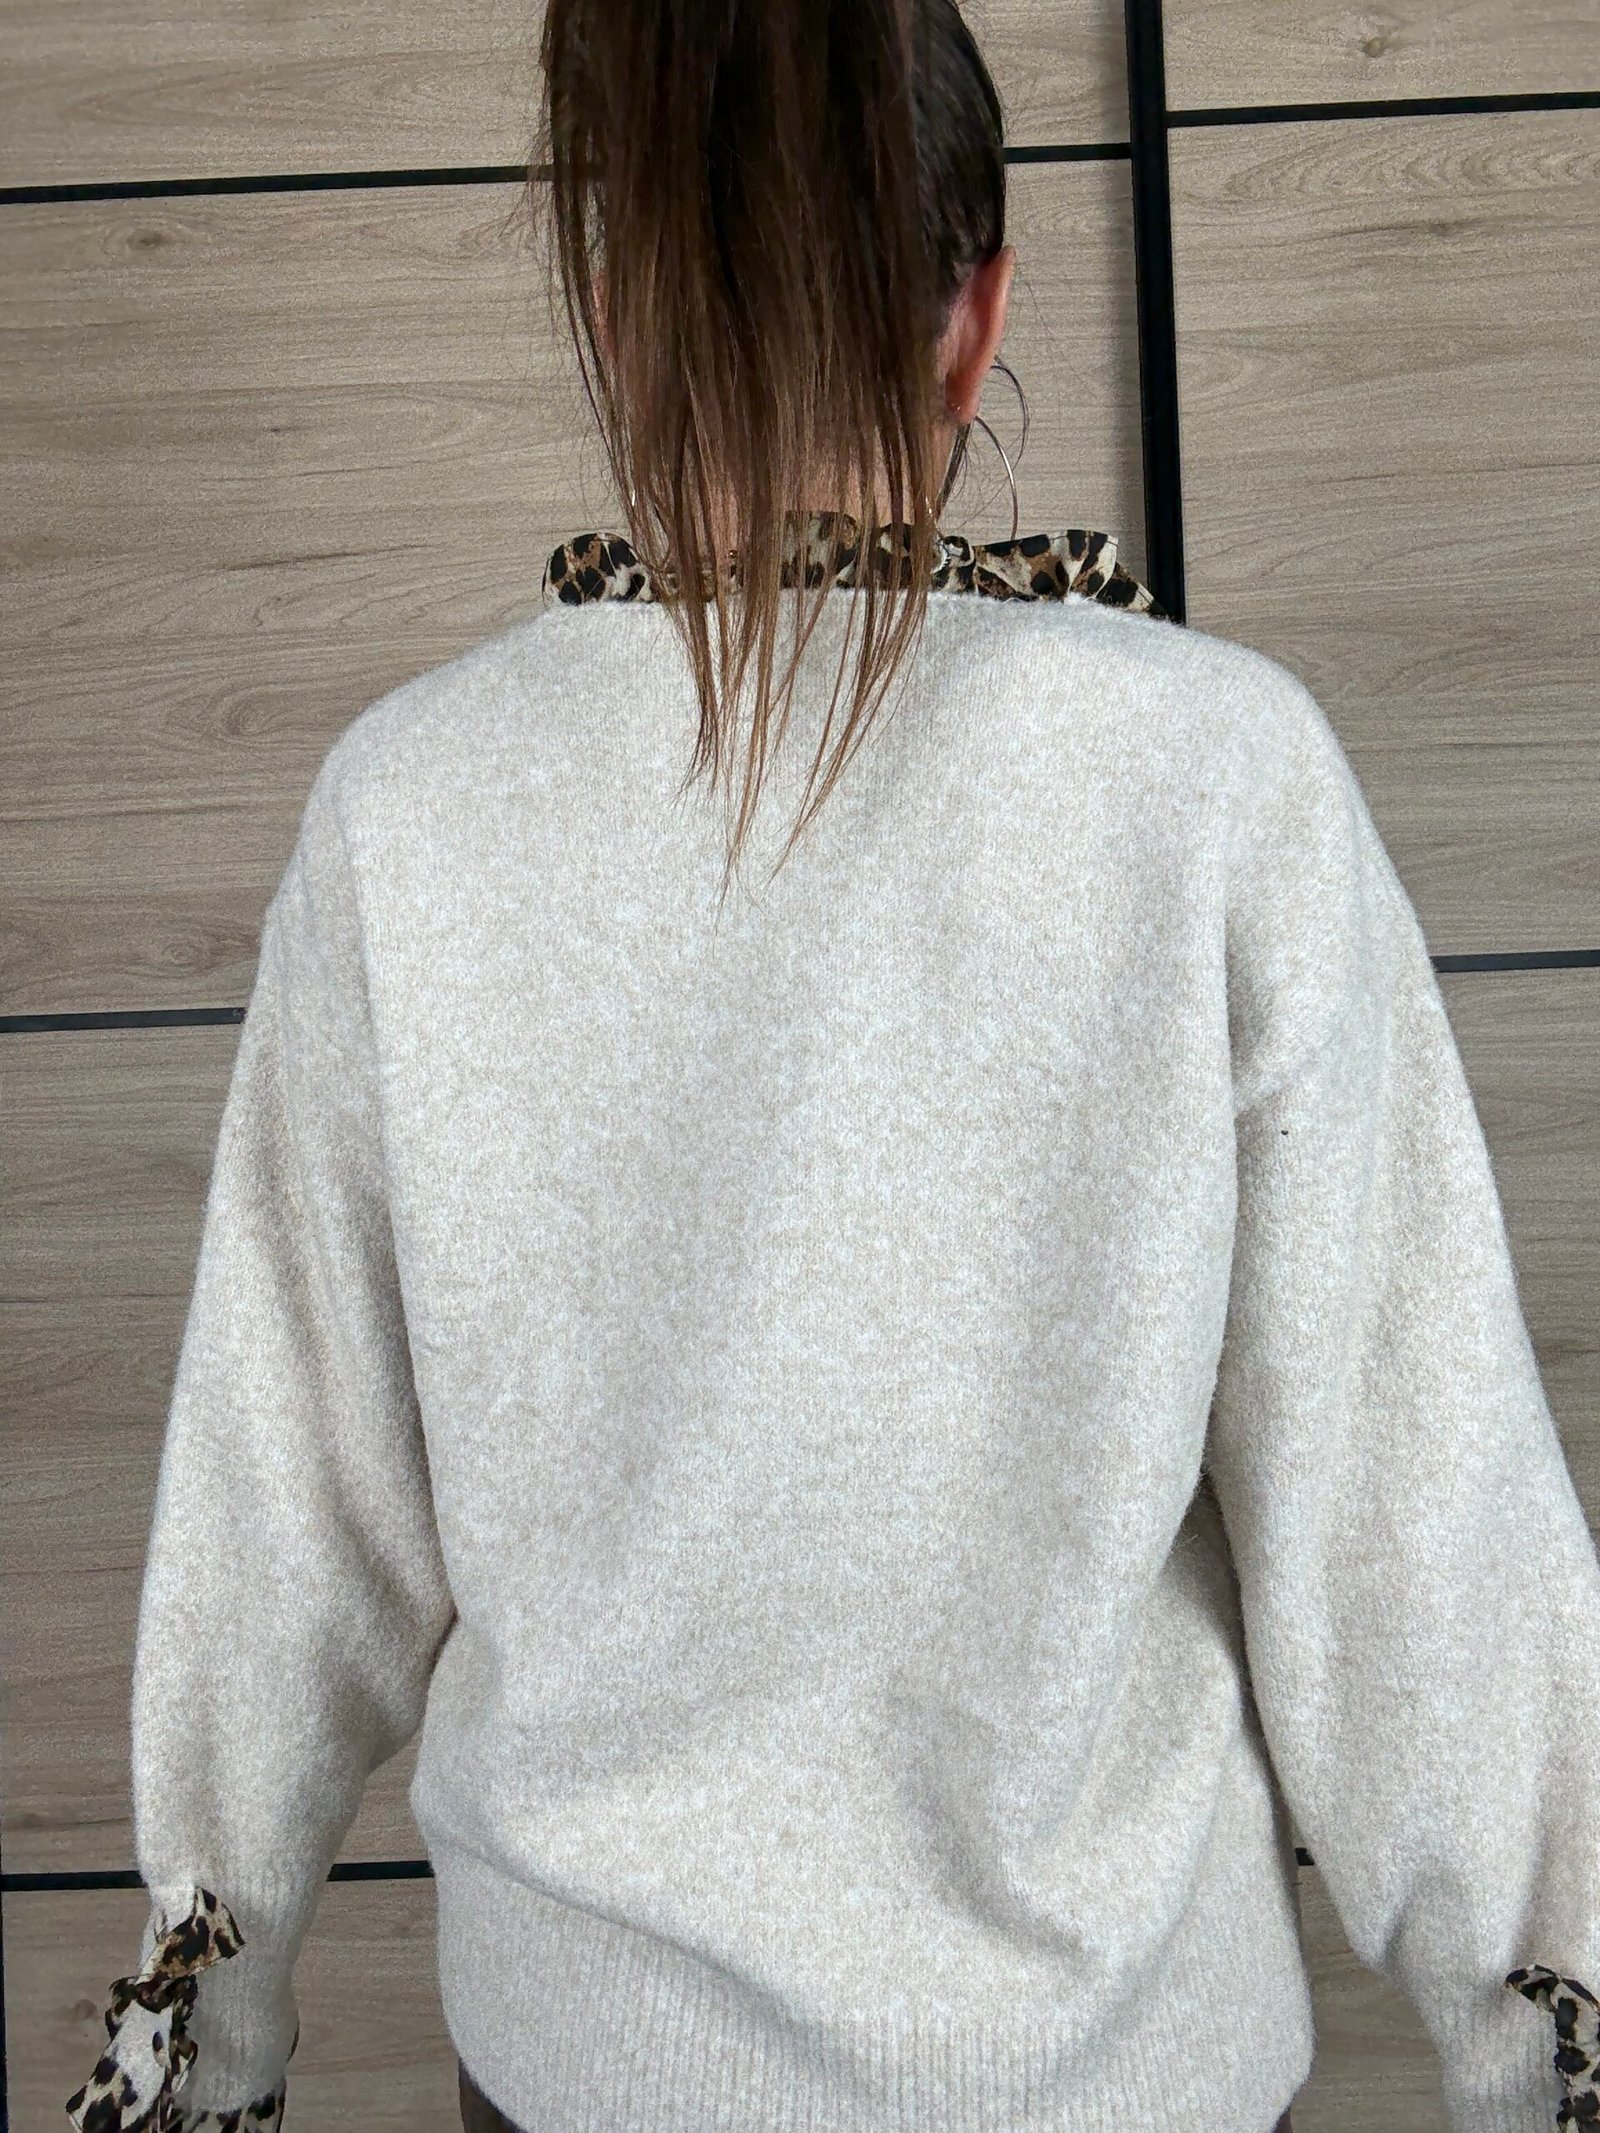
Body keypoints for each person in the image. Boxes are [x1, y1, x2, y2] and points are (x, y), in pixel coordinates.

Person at [66, 3, 1600, 2131]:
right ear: (976, 321)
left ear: (616, 316)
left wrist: (200, 2039)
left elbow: (284, 1519)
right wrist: (1545, 2043)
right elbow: (1410, 1528)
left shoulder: (410, 808)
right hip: (1121, 2076)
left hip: (589, 2079)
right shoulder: (1212, 776)